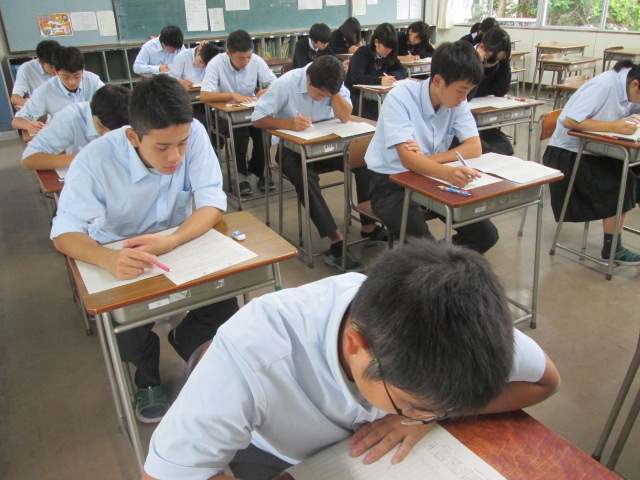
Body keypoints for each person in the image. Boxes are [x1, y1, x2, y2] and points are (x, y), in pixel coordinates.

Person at [141, 239, 560, 480]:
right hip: (275, 450)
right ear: (356, 343)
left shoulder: (467, 332)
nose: (425, 415)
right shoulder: (255, 353)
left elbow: (546, 381)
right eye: (411, 405)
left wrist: (421, 419)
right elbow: (166, 474)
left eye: (439, 408)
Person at [50, 75, 239, 423]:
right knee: (128, 335)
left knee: (225, 302)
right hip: (122, 254)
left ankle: (186, 341)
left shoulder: (193, 132)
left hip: (177, 242)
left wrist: (172, 240)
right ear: (133, 137)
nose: (176, 156)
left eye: (182, 144)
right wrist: (107, 258)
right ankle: (147, 376)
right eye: (162, 147)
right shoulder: (94, 161)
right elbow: (63, 233)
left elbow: (212, 201)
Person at [252, 55, 387, 272]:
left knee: (363, 161)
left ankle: (368, 225)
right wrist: (289, 123)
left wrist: (334, 94)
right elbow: (257, 118)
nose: (320, 99)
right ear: (308, 79)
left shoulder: (334, 86)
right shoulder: (286, 84)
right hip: (291, 149)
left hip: (326, 145)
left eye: (325, 96)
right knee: (306, 176)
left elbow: (345, 117)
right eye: (317, 94)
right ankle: (336, 240)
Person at [365, 41, 499, 254]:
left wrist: (426, 161)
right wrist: (446, 171)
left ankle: (441, 261)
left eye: (469, 91)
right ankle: (435, 260)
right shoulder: (400, 97)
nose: (464, 98)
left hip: (430, 176)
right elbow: (407, 160)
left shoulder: (457, 102)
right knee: (427, 251)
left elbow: (474, 147)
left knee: (486, 235)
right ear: (438, 81)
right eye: (461, 90)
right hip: (390, 182)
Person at [543, 60, 640, 265]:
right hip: (569, 154)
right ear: (635, 84)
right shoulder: (604, 85)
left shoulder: (628, 86)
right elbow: (571, 121)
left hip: (599, 150)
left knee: (635, 174)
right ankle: (612, 247)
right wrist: (615, 127)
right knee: (623, 181)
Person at [201, 30, 277, 195]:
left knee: (264, 133)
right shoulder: (216, 64)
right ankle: (241, 177)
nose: (246, 62)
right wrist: (232, 95)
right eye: (241, 58)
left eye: (248, 57)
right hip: (224, 116)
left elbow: (275, 83)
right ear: (229, 53)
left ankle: (260, 172)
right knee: (240, 134)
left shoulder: (256, 61)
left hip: (250, 112)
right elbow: (205, 95)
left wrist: (269, 90)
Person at [21, 84, 130, 170]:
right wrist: (83, 158)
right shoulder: (69, 118)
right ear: (91, 111)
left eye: (115, 131)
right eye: (101, 127)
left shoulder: (133, 115)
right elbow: (29, 159)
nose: (107, 135)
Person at [11, 46, 104, 136]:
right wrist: (29, 125)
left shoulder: (92, 80)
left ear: (83, 69)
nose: (72, 82)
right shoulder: (45, 91)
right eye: (65, 77)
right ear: (56, 71)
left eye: (77, 76)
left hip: (92, 133)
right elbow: (16, 121)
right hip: (63, 136)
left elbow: (109, 102)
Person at [345, 22, 408, 120]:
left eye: (391, 48)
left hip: (377, 96)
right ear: (376, 42)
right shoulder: (362, 53)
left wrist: (391, 78)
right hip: (357, 96)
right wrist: (379, 81)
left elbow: (403, 71)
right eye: (386, 47)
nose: (389, 51)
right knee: (379, 115)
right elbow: (356, 78)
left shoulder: (389, 55)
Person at [467, 27, 513, 155]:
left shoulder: (497, 64)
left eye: (499, 60)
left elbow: (500, 91)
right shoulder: (465, 58)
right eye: (491, 58)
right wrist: (478, 63)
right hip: (464, 117)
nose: (494, 63)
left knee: (504, 145)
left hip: (482, 114)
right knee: (484, 147)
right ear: (481, 47)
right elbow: (467, 95)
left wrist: (505, 64)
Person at [169, 42, 220, 126]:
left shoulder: (214, 61)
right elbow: (170, 80)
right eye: (201, 62)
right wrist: (180, 82)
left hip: (206, 96)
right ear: (198, 50)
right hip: (187, 98)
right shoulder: (182, 57)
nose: (202, 66)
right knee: (201, 120)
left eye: (206, 65)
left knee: (217, 119)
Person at [10, 40, 59, 108]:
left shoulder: (68, 63)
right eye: (51, 67)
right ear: (40, 62)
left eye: (57, 65)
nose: (56, 70)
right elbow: (15, 98)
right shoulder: (27, 68)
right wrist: (31, 104)